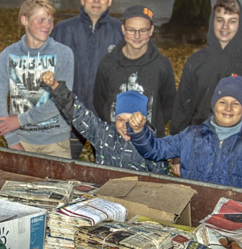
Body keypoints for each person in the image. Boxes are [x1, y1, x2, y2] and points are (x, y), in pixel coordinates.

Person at [124, 75, 242, 191]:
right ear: (214, 105)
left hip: (233, 218)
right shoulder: (192, 135)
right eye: (222, 102)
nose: (228, 108)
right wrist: (139, 131)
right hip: (194, 210)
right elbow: (155, 150)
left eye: (235, 103)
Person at [0, 0, 76, 157]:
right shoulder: (8, 54)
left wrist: (21, 120)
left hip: (56, 143)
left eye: (50, 20)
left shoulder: (64, 53)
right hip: (21, 140)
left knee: (58, 183)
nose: (47, 26)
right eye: (41, 20)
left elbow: (62, 100)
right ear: (24, 20)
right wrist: (11, 140)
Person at [38, 72, 169, 173]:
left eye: (131, 121)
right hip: (104, 198)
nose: (125, 126)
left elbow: (162, 182)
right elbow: (77, 111)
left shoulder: (153, 147)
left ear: (143, 121)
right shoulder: (103, 134)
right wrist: (55, 86)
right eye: (120, 119)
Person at [51, 0, 122, 160]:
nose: (96, 0)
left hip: (106, 121)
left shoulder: (120, 32)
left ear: (110, 1)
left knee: (106, 179)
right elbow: (50, 73)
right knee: (63, 172)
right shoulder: (63, 30)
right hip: (69, 117)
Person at [171, 0, 242, 133]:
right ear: (212, 21)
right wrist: (176, 144)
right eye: (220, 20)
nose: (225, 26)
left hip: (232, 143)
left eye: (232, 21)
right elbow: (182, 108)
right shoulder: (196, 61)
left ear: (240, 24)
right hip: (196, 139)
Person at [92, 6, 176, 134]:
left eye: (143, 30)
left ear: (151, 30)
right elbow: (100, 100)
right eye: (131, 30)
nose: (137, 36)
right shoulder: (108, 63)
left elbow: (168, 104)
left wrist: (153, 125)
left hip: (149, 144)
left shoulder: (161, 65)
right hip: (116, 140)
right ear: (123, 29)